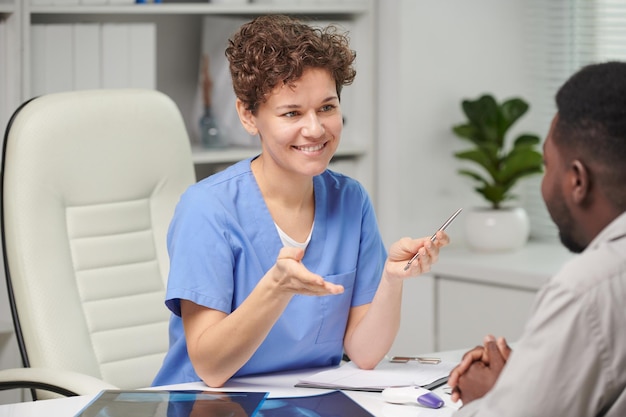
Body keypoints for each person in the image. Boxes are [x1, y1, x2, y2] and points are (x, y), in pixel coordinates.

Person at [152, 15, 449, 388]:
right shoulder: (207, 209)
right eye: (292, 113)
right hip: (209, 405)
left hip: (307, 400)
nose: (315, 129)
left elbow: (365, 352)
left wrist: (391, 279)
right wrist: (276, 287)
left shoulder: (350, 201)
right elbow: (210, 368)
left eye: (327, 107)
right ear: (249, 115)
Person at [447, 61, 626, 416]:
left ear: (577, 180)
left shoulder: (587, 290)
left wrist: (490, 399)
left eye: (547, 164)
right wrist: (530, 379)